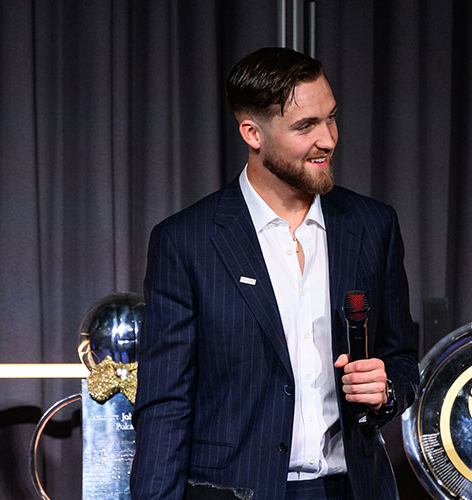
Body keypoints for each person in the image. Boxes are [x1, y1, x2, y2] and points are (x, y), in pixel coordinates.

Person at [131, 48, 418, 500]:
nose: (328, 139)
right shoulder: (186, 241)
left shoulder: (372, 225)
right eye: (305, 126)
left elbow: (400, 358)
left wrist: (386, 390)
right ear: (253, 133)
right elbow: (165, 405)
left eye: (331, 118)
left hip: (353, 489)